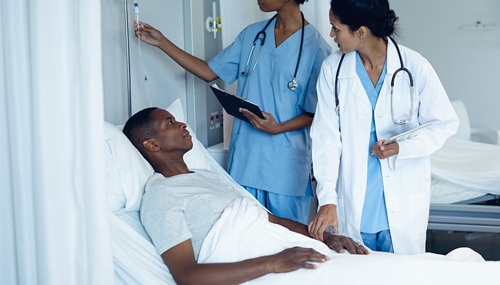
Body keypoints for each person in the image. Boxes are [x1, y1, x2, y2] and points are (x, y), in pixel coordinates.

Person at [134, 0, 330, 224]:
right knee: (244, 236)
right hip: (245, 159)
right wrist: (162, 42)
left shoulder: (316, 49)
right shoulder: (253, 36)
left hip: (285, 168)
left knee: (287, 241)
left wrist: (279, 127)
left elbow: (316, 113)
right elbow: (208, 71)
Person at [122, 107, 368, 285]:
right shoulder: (161, 196)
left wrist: (324, 237)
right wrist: (273, 262)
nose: (182, 125)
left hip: (283, 247)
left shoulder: (206, 177)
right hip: (263, 262)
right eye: (170, 122)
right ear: (152, 145)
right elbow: (187, 276)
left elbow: (271, 221)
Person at [307, 0, 459, 254]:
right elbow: (326, 139)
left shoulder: (415, 66)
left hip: (401, 199)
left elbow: (444, 123)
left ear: (361, 32)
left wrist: (403, 147)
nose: (331, 35)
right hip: (354, 202)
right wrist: (327, 199)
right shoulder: (333, 68)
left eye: (336, 28)